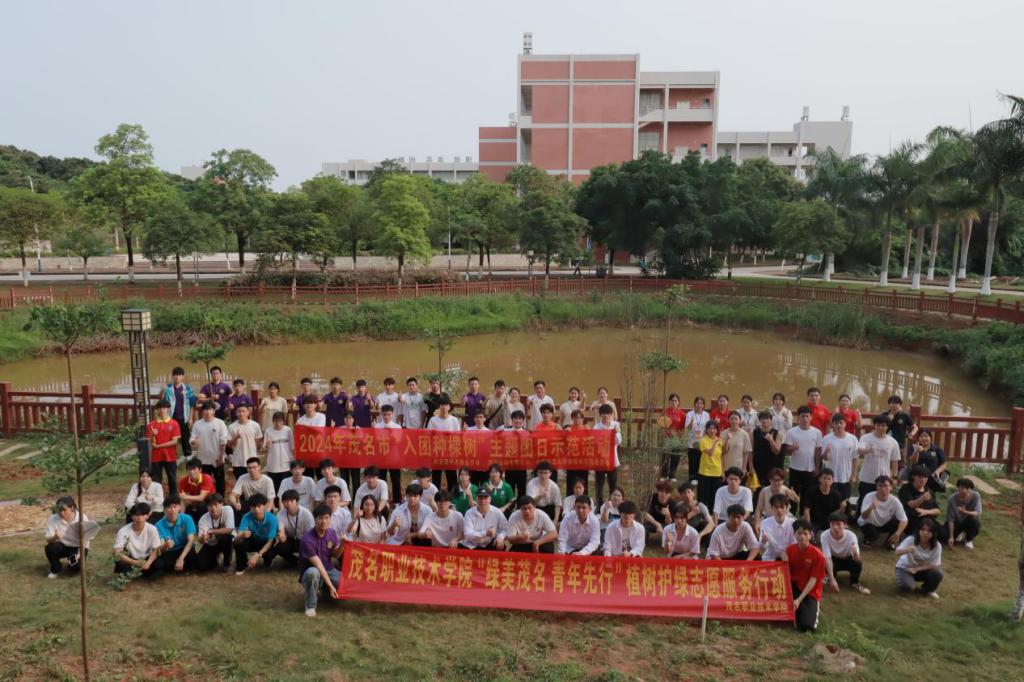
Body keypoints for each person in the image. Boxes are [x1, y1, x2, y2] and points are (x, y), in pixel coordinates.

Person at [299, 503, 344, 618]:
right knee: (312, 574)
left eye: (326, 518)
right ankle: (310, 605)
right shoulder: (307, 540)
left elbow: (335, 555)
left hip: (329, 569)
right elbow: (318, 566)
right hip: (313, 570)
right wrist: (331, 586)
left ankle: (325, 591)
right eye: (320, 518)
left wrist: (342, 544)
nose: (324, 521)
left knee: (345, 584)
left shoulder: (332, 533)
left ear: (330, 519)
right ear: (315, 520)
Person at [787, 519, 826, 632]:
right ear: (794, 534)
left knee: (806, 626)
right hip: (793, 587)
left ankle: (806, 609)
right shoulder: (790, 550)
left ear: (811, 534)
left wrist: (799, 600)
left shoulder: (818, 555)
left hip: (810, 591)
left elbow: (813, 580)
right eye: (799, 533)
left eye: (805, 533)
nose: (802, 536)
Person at [856, 415, 901, 510]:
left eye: (883, 425)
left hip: (884, 478)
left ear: (887, 427)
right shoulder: (866, 438)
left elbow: (894, 462)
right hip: (867, 477)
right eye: (878, 425)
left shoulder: (893, 442)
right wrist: (868, 450)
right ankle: (860, 516)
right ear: (874, 425)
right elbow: (859, 450)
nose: (880, 427)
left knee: (882, 502)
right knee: (863, 500)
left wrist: (894, 477)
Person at [821, 512, 870, 595]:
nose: (835, 527)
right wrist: (832, 579)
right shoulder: (824, 535)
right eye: (832, 524)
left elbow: (857, 559)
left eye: (838, 524)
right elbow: (828, 558)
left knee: (857, 563)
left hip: (848, 559)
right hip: (834, 559)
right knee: (823, 560)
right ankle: (831, 577)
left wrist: (855, 554)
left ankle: (854, 582)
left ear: (845, 525)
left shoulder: (851, 536)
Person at [894, 519, 943, 598]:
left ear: (933, 533)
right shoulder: (911, 539)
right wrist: (907, 549)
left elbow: (935, 564)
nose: (925, 533)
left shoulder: (937, 546)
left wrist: (916, 569)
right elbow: (897, 552)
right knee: (909, 587)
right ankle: (905, 581)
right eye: (923, 529)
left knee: (937, 574)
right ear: (919, 530)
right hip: (905, 568)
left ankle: (928, 590)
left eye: (929, 531)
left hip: (920, 570)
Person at [783, 405, 822, 502]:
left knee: (807, 495)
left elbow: (817, 451)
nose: (805, 419)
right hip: (795, 468)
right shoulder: (791, 432)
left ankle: (804, 511)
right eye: (802, 416)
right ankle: (791, 510)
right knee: (793, 494)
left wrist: (817, 467)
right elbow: (786, 452)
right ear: (798, 417)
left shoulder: (817, 432)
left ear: (811, 417)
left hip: (810, 469)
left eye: (807, 416)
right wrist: (792, 448)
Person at [44, 496, 90, 578]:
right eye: (59, 510)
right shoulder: (53, 519)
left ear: (72, 508)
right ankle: (56, 569)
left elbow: (86, 538)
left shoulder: (81, 518)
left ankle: (72, 564)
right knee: (50, 548)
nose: (61, 513)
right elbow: (48, 539)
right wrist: (55, 537)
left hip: (77, 546)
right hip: (62, 546)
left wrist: (80, 553)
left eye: (64, 510)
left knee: (76, 567)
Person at [857, 476, 908, 549]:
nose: (883, 489)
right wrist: (871, 508)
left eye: (886, 486)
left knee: (897, 522)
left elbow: (904, 520)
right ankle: (867, 539)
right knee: (873, 535)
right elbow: (863, 516)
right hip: (868, 523)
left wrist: (897, 533)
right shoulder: (869, 496)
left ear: (891, 487)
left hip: (883, 523)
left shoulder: (895, 501)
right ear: (876, 487)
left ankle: (889, 542)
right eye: (880, 486)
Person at [233, 493, 278, 575]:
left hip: (266, 542)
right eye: (253, 507)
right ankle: (241, 566)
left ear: (265, 506)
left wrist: (258, 555)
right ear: (250, 507)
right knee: (238, 542)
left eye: (259, 506)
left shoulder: (272, 519)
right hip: (253, 540)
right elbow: (237, 537)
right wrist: (242, 535)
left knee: (270, 553)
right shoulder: (246, 517)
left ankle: (268, 560)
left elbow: (270, 541)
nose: (256, 509)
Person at [113, 503, 162, 578]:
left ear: (147, 516)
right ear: (132, 516)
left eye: (143, 515)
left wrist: (148, 563)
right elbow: (117, 552)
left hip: (146, 557)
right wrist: (135, 562)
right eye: (137, 515)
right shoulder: (123, 531)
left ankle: (142, 572)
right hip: (130, 558)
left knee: (159, 565)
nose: (139, 518)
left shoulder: (152, 529)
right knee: (120, 562)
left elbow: (155, 550)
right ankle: (132, 572)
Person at [899, 466, 947, 542]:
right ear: (913, 476)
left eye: (925, 477)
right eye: (920, 477)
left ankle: (927, 536)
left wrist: (926, 512)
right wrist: (922, 498)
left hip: (928, 520)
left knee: (945, 535)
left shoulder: (929, 491)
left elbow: (938, 510)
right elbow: (911, 505)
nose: (922, 479)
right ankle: (912, 536)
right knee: (915, 514)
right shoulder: (906, 488)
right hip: (912, 520)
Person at [190, 400, 229, 495]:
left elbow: (223, 441)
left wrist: (221, 456)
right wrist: (194, 442)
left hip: (217, 458)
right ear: (202, 411)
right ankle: (205, 498)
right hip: (203, 459)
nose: (208, 412)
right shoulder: (197, 424)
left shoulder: (220, 423)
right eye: (206, 409)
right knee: (204, 480)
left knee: (220, 480)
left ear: (214, 411)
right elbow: (192, 439)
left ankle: (220, 498)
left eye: (210, 409)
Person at [821, 413, 860, 501]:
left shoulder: (853, 439)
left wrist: (854, 475)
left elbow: (855, 458)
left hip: (846, 477)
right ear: (833, 424)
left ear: (845, 424)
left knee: (845, 502)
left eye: (841, 423)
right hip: (831, 477)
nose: (839, 425)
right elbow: (825, 458)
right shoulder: (826, 438)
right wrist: (826, 452)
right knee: (830, 501)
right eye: (836, 423)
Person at [147, 399, 182, 496]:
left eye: (164, 408)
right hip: (156, 456)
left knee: (172, 478)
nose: (162, 410)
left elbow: (174, 442)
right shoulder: (151, 425)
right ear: (157, 410)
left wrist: (159, 446)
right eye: (159, 408)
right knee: (156, 479)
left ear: (168, 409)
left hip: (170, 456)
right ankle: (158, 498)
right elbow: (150, 442)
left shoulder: (174, 423)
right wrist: (152, 435)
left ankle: (174, 498)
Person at [274, 489, 316, 566]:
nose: (288, 503)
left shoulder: (306, 513)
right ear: (282, 502)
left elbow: (311, 534)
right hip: (291, 539)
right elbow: (282, 533)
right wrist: (282, 536)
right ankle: (294, 561)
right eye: (286, 501)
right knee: (279, 547)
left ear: (297, 501)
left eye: (291, 500)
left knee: (310, 546)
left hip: (305, 539)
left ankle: (305, 559)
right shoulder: (280, 514)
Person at [162, 367, 197, 460]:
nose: (177, 377)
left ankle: (188, 454)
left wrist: (190, 418)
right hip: (171, 417)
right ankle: (172, 454)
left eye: (179, 375)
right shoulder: (168, 388)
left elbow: (192, 404)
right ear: (172, 376)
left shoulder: (188, 389)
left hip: (184, 417)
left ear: (183, 376)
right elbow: (162, 401)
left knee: (185, 436)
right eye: (175, 375)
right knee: (170, 437)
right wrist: (163, 390)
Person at [155, 496, 196, 574]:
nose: (172, 510)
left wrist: (181, 558)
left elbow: (191, 540)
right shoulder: (158, 525)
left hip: (185, 548)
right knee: (162, 564)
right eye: (169, 507)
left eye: (175, 507)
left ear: (179, 507)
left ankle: (184, 565)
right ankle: (181, 567)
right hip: (171, 551)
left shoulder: (187, 519)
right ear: (164, 509)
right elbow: (161, 548)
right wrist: (165, 545)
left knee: (193, 556)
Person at [426, 398, 461, 490]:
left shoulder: (454, 420)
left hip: (450, 453)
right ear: (439, 406)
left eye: (446, 405)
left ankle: (452, 495)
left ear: (449, 407)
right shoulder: (433, 420)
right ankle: (436, 495)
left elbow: (458, 436)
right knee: (436, 476)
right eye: (442, 405)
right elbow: (428, 435)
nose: (444, 407)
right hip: (437, 452)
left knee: (452, 476)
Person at [195, 493, 235, 572]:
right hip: (210, 544)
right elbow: (201, 541)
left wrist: (212, 531)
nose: (213, 508)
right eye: (210, 505)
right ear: (207, 507)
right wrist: (203, 538)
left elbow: (229, 529)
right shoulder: (203, 519)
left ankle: (227, 563)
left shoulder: (228, 509)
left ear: (221, 504)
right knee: (201, 566)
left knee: (227, 538)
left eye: (216, 505)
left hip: (225, 541)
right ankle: (214, 561)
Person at [592, 403, 622, 507]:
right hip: (600, 460)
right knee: (599, 484)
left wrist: (616, 433)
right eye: (603, 414)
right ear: (600, 415)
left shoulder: (616, 425)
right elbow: (595, 444)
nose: (605, 416)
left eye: (608, 414)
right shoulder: (596, 427)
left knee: (613, 483)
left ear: (611, 414)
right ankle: (599, 505)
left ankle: (613, 504)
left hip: (612, 460)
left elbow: (618, 442)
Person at [753, 468, 799, 533]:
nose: (776, 483)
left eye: (778, 480)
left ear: (782, 481)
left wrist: (795, 496)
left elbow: (797, 500)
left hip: (784, 518)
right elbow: (758, 509)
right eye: (773, 480)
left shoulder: (785, 490)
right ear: (770, 480)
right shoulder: (764, 491)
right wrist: (757, 523)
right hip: (768, 517)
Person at [802, 468, 846, 534]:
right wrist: (808, 526)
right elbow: (806, 510)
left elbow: (838, 513)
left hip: (830, 521)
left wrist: (842, 507)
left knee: (838, 532)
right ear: (819, 479)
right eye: (824, 478)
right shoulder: (811, 491)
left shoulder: (836, 494)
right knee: (808, 534)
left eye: (829, 479)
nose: (826, 481)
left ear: (832, 481)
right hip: (814, 521)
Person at [373, 404, 403, 498]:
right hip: (381, 456)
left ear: (392, 414)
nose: (386, 417)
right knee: (382, 480)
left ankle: (397, 500)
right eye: (384, 414)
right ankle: (383, 499)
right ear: (381, 414)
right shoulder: (377, 426)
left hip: (394, 456)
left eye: (389, 414)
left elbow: (399, 442)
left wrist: (391, 433)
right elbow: (374, 441)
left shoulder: (397, 427)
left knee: (396, 479)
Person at [227, 404, 263, 482]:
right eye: (239, 411)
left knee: (253, 482)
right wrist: (236, 438)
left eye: (243, 411)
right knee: (240, 483)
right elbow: (229, 445)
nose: (241, 413)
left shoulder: (255, 425)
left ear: (248, 413)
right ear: (236, 413)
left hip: (252, 461)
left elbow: (258, 441)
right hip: (238, 461)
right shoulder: (232, 427)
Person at [263, 411, 294, 499]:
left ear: (283, 421)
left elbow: (292, 446)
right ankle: (276, 504)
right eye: (276, 421)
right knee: (275, 487)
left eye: (280, 421)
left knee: (286, 487)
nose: (278, 423)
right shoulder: (268, 431)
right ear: (273, 421)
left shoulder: (288, 430)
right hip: (273, 465)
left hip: (286, 464)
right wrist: (267, 445)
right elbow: (264, 448)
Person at [751, 410, 783, 494]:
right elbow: (751, 451)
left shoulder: (778, 433)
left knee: (771, 489)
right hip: (757, 464)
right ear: (759, 420)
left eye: (767, 419)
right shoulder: (754, 433)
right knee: (757, 490)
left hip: (772, 465)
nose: (765, 421)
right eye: (763, 419)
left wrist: (771, 440)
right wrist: (751, 466)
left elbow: (777, 451)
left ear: (771, 420)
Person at [500, 410, 530, 498]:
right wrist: (504, 425)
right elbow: (494, 434)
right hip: (509, 465)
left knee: (522, 488)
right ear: (512, 420)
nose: (517, 420)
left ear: (523, 420)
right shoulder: (505, 431)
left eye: (520, 419)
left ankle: (521, 505)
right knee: (510, 488)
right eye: (515, 418)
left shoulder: (526, 433)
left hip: (521, 465)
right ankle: (510, 505)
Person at [946, 477, 982, 550]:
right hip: (957, 523)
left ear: (971, 489)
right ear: (958, 488)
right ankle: (958, 533)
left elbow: (977, 512)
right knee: (944, 537)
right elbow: (950, 520)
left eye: (967, 488)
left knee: (975, 521)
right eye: (962, 487)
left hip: (969, 521)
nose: (964, 490)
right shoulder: (952, 499)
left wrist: (965, 512)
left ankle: (969, 540)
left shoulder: (976, 496)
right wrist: (951, 537)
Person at [759, 494, 796, 561]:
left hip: (788, 557)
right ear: (771, 507)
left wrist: (786, 554)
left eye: (782, 507)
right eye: (776, 507)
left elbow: (795, 543)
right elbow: (762, 546)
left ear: (787, 508)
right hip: (770, 558)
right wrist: (763, 542)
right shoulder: (765, 523)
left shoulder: (793, 523)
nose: (779, 510)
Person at [697, 421, 724, 509]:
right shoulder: (703, 440)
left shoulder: (720, 440)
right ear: (706, 429)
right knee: (703, 497)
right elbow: (710, 453)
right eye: (709, 428)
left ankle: (713, 514)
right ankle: (702, 514)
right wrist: (715, 443)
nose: (712, 431)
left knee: (715, 496)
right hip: (705, 472)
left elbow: (722, 456)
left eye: (714, 428)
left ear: (717, 430)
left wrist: (722, 471)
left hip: (717, 472)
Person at [178, 457, 215, 522]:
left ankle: (203, 524)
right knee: (187, 509)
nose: (191, 472)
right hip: (193, 502)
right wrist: (181, 516)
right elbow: (183, 500)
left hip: (208, 502)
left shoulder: (207, 478)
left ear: (200, 470)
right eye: (189, 469)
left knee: (201, 505)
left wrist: (186, 497)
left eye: (194, 469)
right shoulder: (183, 481)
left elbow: (201, 498)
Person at [883, 395, 917, 464]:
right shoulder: (884, 415)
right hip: (885, 443)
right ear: (889, 404)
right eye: (891, 403)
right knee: (885, 462)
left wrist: (911, 434)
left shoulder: (904, 415)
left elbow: (915, 427)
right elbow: (878, 428)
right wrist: (889, 419)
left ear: (900, 405)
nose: (893, 405)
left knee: (900, 463)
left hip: (900, 445)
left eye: (896, 403)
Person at [563, 409, 591, 494]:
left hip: (584, 460)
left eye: (579, 417)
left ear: (582, 419)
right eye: (575, 417)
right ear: (572, 418)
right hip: (571, 461)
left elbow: (593, 443)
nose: (577, 420)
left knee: (584, 482)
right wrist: (565, 433)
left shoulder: (586, 429)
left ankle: (584, 500)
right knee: (571, 482)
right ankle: (569, 500)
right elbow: (562, 444)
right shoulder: (568, 429)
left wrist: (589, 432)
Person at [684, 396, 710, 484]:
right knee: (692, 460)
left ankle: (698, 477)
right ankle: (692, 478)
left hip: (702, 440)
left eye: (701, 403)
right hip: (692, 440)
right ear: (694, 404)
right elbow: (687, 428)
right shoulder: (689, 414)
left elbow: (708, 427)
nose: (699, 405)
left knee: (700, 459)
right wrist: (691, 423)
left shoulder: (706, 415)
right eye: (697, 403)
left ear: (703, 405)